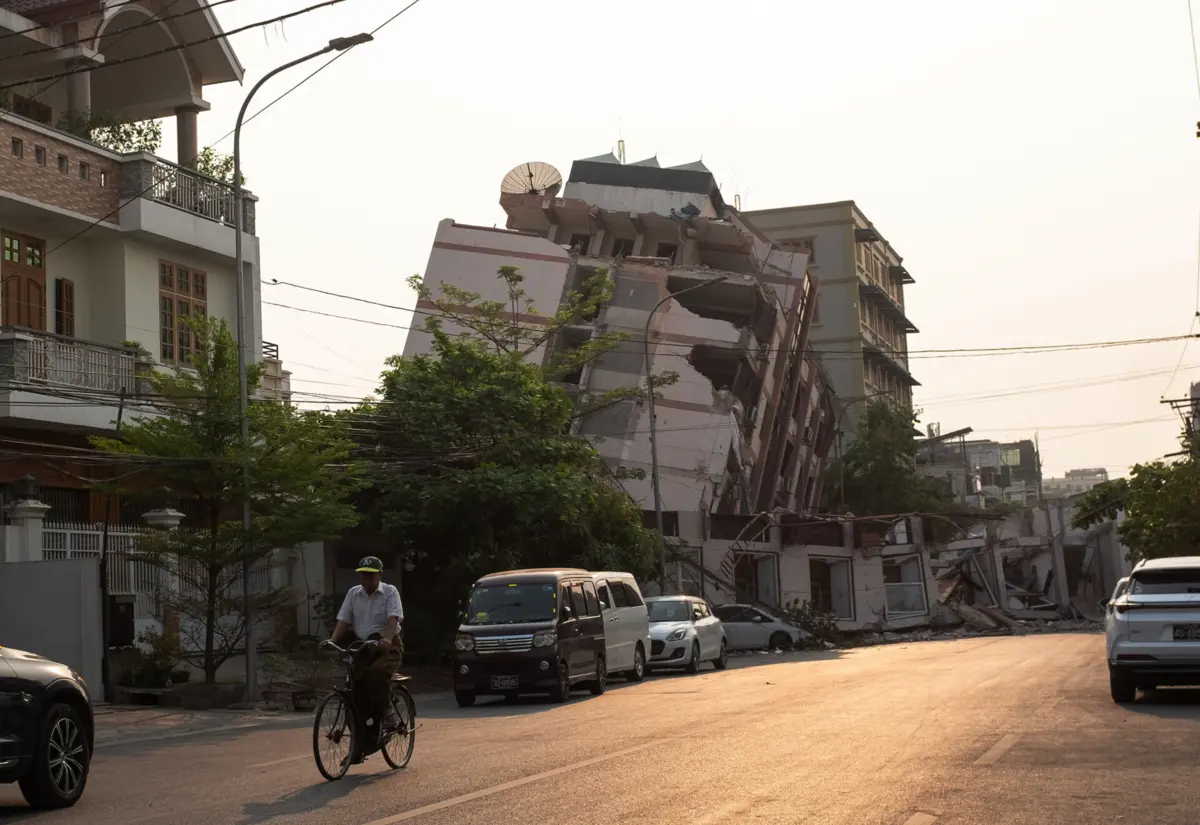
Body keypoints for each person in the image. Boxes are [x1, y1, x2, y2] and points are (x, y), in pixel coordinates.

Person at [326, 555, 403, 759]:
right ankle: (359, 747)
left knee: (376, 673)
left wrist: (387, 639)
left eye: (370, 575)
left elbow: (393, 619)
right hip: (364, 646)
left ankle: (389, 714)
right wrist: (331, 641)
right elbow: (343, 620)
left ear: (379, 575)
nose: (366, 579)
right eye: (363, 575)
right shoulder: (353, 593)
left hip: (387, 645)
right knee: (354, 692)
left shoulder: (390, 592)